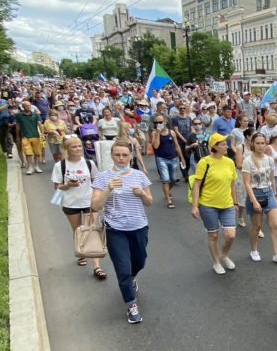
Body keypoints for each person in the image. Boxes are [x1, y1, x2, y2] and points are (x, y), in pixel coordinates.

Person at [90, 137, 153, 324]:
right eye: (117, 155)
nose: (121, 159)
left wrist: (142, 194)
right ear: (111, 156)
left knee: (139, 262)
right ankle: (131, 305)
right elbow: (95, 206)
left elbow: (150, 202)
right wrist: (108, 189)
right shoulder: (102, 177)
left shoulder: (139, 176)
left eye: (125, 155)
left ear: (131, 156)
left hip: (139, 226)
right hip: (115, 229)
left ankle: (131, 279)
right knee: (123, 269)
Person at [52, 137, 106, 280]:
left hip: (89, 202)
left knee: (92, 230)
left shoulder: (89, 163)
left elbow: (97, 181)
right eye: (74, 147)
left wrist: (98, 198)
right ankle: (81, 254)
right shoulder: (60, 166)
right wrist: (68, 185)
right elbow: (57, 187)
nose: (78, 149)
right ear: (67, 149)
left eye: (79, 146)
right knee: (78, 231)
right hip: (71, 203)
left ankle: (97, 266)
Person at [190, 133, 240, 275]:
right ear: (214, 147)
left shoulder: (229, 162)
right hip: (208, 204)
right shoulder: (204, 162)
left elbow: (233, 185)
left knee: (230, 235)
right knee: (213, 236)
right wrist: (194, 206)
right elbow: (197, 185)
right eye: (223, 144)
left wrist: (235, 202)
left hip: (227, 204)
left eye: (226, 143)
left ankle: (223, 255)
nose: (227, 146)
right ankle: (216, 262)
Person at [242, 132, 277, 265]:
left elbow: (271, 178)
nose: (261, 146)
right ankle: (254, 250)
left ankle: (276, 254)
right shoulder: (248, 161)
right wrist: (254, 200)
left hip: (268, 192)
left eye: (263, 143)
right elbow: (247, 183)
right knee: (257, 226)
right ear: (253, 144)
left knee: (274, 224)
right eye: (258, 143)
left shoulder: (269, 159)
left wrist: (275, 192)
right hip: (255, 194)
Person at [150, 113, 184, 209]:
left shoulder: (172, 132)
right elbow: (155, 146)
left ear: (165, 122)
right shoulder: (154, 133)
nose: (158, 124)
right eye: (156, 123)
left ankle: (167, 191)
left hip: (173, 158)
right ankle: (168, 200)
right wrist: (157, 133)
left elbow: (177, 146)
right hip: (161, 158)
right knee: (165, 179)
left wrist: (182, 158)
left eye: (160, 122)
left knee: (172, 179)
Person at [17, 99, 44, 174]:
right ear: (23, 107)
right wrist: (17, 136)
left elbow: (40, 124)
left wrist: (42, 133)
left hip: (35, 136)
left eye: (29, 105)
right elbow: (18, 126)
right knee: (28, 153)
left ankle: (36, 166)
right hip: (25, 136)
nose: (29, 107)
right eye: (27, 106)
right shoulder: (19, 115)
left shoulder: (35, 115)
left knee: (37, 152)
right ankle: (30, 167)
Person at [95, 107, 121, 171]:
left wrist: (118, 136)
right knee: (107, 154)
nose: (106, 113)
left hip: (115, 137)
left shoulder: (116, 120)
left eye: (107, 112)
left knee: (116, 152)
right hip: (105, 138)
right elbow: (99, 130)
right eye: (105, 112)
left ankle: (118, 166)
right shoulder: (101, 121)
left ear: (111, 113)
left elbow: (122, 127)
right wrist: (101, 137)